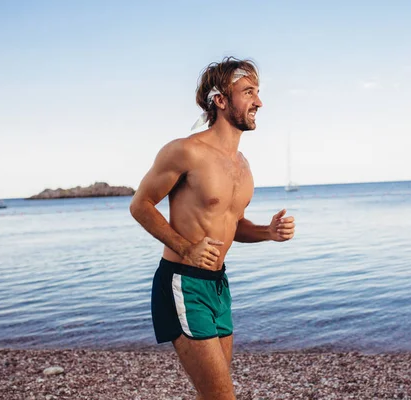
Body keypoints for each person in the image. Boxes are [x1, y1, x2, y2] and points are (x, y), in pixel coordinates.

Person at [129, 57, 296, 400]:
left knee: (213, 394)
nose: (259, 102)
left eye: (258, 93)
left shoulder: (242, 166)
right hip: (183, 282)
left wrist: (268, 231)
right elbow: (140, 205)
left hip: (218, 286)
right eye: (248, 92)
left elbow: (233, 224)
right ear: (220, 100)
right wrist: (186, 247)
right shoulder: (185, 151)